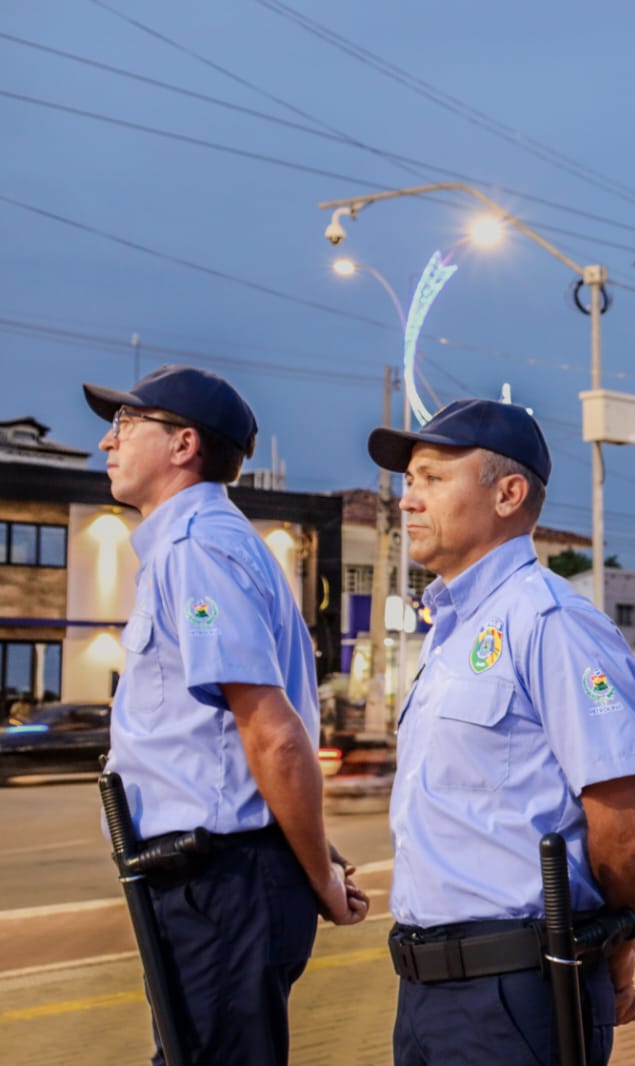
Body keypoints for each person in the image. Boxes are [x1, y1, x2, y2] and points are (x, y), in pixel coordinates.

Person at [83, 365, 368, 1066]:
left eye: (124, 425)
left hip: (221, 884)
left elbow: (273, 734)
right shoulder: (198, 546)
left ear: (184, 445)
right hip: (212, 881)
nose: (104, 443)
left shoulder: (200, 549)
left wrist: (319, 877)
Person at [368, 398, 635, 1066]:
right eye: (407, 481)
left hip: (514, 993)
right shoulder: (449, 632)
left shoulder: (550, 622)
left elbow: (628, 825)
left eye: (433, 477)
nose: (408, 500)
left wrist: (610, 939)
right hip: (426, 993)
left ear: (508, 493)